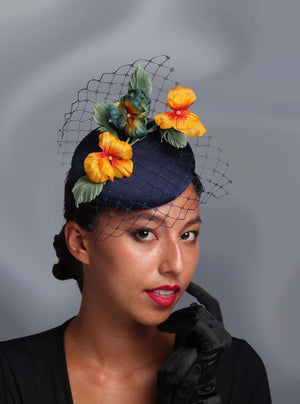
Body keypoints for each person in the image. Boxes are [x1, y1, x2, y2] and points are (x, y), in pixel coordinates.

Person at [0, 57, 272, 403]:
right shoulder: (10, 376)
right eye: (145, 233)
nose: (175, 264)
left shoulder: (232, 370)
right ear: (80, 243)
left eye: (188, 234)